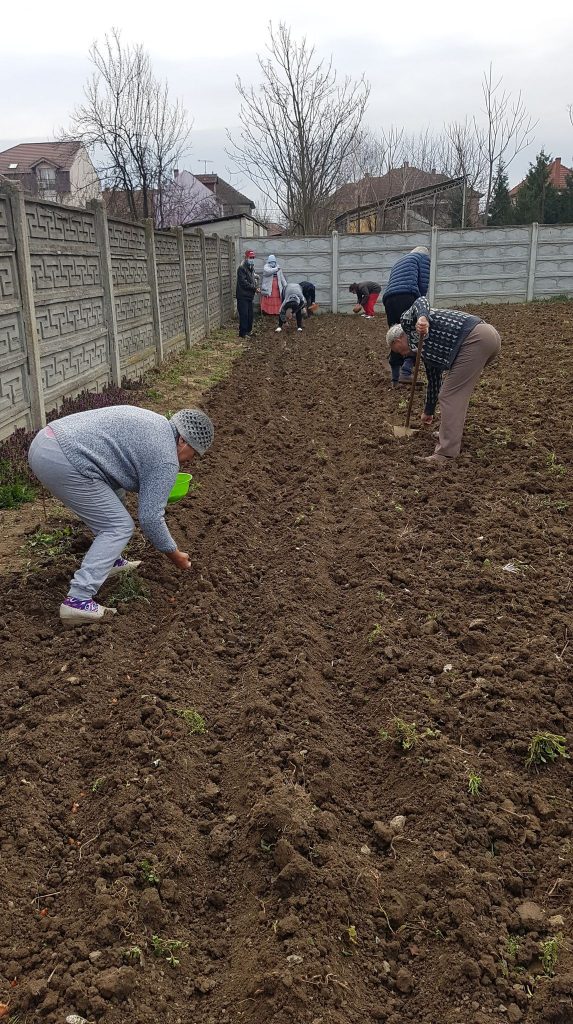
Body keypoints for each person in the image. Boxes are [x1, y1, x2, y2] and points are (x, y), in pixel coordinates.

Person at [27, 406, 215, 623]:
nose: (191, 460)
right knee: (118, 526)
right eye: (194, 453)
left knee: (115, 497)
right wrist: (175, 555)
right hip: (63, 459)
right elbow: (150, 517)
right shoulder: (166, 458)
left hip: (47, 440)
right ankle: (78, 600)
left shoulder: (156, 424)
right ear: (182, 441)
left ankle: (110, 561)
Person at [386, 297, 501, 466]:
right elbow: (434, 380)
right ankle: (448, 435)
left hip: (475, 338)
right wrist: (428, 410)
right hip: (485, 339)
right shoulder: (425, 351)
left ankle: (446, 453)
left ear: (397, 341)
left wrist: (422, 318)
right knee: (454, 393)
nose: (403, 355)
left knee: (450, 395)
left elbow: (421, 301)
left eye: (399, 351)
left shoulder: (407, 322)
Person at [383, 246, 431, 384]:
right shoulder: (422, 258)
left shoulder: (400, 261)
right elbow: (423, 283)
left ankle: (395, 377)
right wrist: (420, 308)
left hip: (389, 299)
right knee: (411, 334)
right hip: (407, 295)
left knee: (396, 334)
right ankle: (406, 372)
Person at [236, 249, 257, 339]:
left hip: (249, 296)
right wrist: (254, 288)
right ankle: (243, 333)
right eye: (250, 257)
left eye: (253, 257)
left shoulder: (251, 268)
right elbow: (243, 282)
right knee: (244, 315)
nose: (252, 259)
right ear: (246, 257)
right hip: (243, 296)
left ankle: (248, 331)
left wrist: (255, 285)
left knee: (250, 315)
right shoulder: (241, 268)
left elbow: (251, 279)